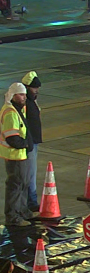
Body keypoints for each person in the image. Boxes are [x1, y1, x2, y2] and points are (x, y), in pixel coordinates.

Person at [1, 83, 37, 226]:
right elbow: (12, 137)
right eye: (20, 95)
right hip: (14, 156)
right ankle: (13, 217)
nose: (23, 97)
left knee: (23, 184)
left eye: (24, 94)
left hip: (21, 155)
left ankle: (23, 212)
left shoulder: (17, 109)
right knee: (15, 186)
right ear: (13, 96)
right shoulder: (10, 112)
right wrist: (25, 144)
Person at [21, 71, 42, 212]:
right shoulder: (25, 103)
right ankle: (31, 201)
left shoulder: (31, 100)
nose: (37, 91)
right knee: (30, 173)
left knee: (31, 173)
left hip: (33, 141)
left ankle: (31, 200)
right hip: (29, 143)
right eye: (34, 88)